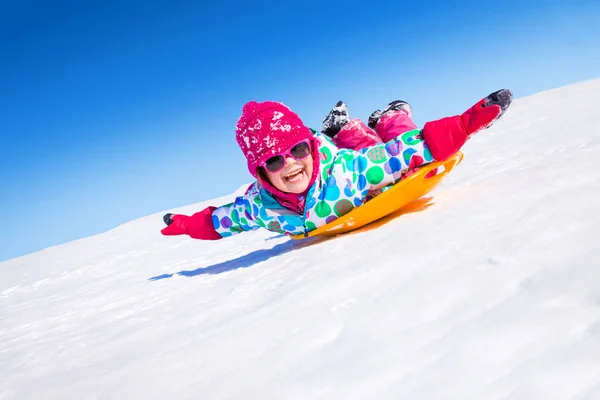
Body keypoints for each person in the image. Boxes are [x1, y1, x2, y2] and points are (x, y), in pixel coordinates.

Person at [161, 89, 513, 240]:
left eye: (298, 150)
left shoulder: (350, 173)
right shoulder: (260, 207)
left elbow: (402, 152)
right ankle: (344, 126)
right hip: (331, 151)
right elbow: (224, 220)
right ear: (260, 172)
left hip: (352, 159)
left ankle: (388, 116)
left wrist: (464, 125)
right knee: (365, 144)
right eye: (274, 159)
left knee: (387, 143)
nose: (290, 164)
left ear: (311, 149)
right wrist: (188, 224)